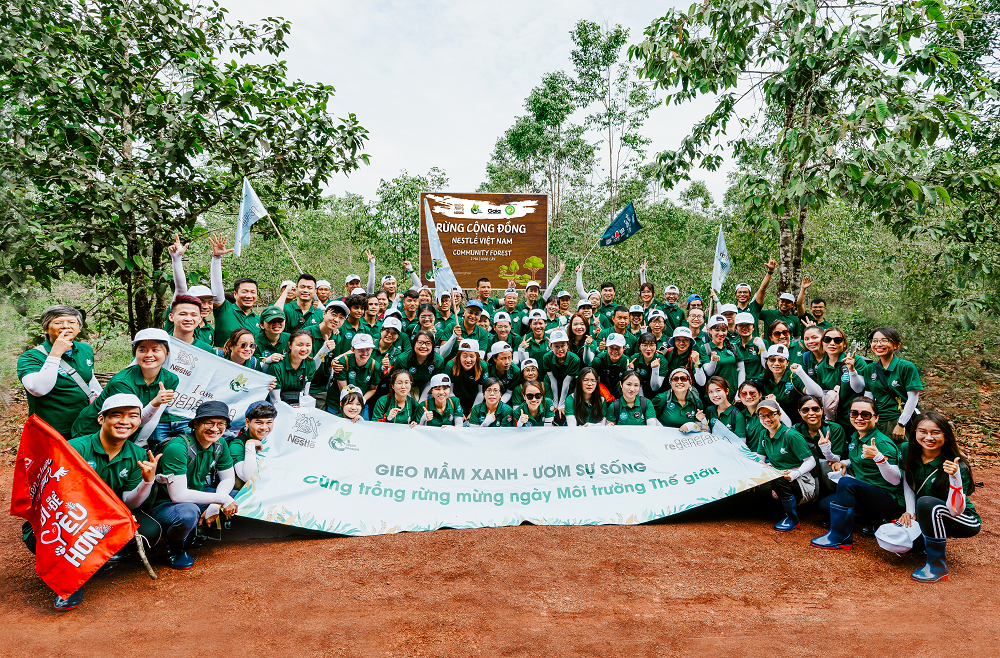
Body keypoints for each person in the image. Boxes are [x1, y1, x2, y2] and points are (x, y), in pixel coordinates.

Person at [24, 394, 162, 611]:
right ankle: (71, 582)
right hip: (70, 514)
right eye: (117, 415)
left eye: (133, 416)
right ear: (101, 419)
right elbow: (57, 496)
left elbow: (131, 502)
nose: (125, 421)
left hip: (108, 516)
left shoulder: (137, 454)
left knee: (150, 530)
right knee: (42, 538)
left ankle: (101, 560)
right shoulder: (74, 449)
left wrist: (147, 481)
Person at [146, 401, 238, 570]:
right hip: (163, 504)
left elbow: (228, 479)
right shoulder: (178, 447)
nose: (215, 429)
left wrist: (215, 504)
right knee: (188, 513)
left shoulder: (220, 444)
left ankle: (197, 531)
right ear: (195, 424)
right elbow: (178, 496)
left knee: (237, 494)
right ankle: (176, 547)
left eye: (221, 424)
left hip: (195, 494)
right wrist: (220, 499)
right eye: (209, 423)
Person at [897, 411, 981, 582]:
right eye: (923, 431)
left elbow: (955, 510)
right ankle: (926, 545)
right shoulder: (907, 449)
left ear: (946, 436)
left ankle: (937, 566)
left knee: (928, 503)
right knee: (901, 545)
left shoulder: (957, 465)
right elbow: (907, 482)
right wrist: (910, 511)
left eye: (935, 432)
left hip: (963, 519)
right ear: (914, 433)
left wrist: (955, 477)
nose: (928, 437)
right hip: (927, 514)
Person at [811, 397, 904, 550]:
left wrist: (878, 458)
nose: (859, 418)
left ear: (876, 417)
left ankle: (841, 536)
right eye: (854, 413)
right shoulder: (856, 436)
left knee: (846, 483)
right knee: (824, 506)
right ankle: (875, 520)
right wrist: (844, 462)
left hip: (889, 498)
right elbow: (857, 459)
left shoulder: (881, 444)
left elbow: (896, 480)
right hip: (866, 494)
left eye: (865, 414)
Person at [71, 329, 181, 445]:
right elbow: (130, 420)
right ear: (136, 353)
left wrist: (140, 442)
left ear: (167, 353)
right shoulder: (121, 382)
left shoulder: (171, 379)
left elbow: (155, 416)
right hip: (93, 431)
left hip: (123, 433)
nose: (149, 354)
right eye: (142, 350)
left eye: (155, 350)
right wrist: (155, 402)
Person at [18, 305, 101, 439]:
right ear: (45, 329)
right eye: (58, 322)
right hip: (51, 431)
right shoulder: (30, 357)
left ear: (79, 328)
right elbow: (37, 389)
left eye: (72, 322)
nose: (65, 326)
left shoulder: (85, 349)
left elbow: (89, 379)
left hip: (84, 426)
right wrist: (55, 353)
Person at [755, 399, 817, 532]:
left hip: (801, 481)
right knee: (756, 484)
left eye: (771, 414)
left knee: (778, 479)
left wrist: (795, 474)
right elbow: (760, 459)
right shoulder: (763, 434)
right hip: (779, 475)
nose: (767, 419)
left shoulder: (791, 435)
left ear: (779, 414)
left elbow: (811, 461)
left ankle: (792, 518)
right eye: (763, 415)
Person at [859, 327, 923, 441]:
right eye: (875, 341)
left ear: (896, 345)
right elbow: (868, 397)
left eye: (884, 340)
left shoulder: (906, 367)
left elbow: (913, 398)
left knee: (901, 453)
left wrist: (901, 424)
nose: (878, 344)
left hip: (899, 419)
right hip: (877, 420)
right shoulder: (869, 368)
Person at [813, 327, 867, 438]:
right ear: (822, 342)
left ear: (844, 344)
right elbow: (824, 392)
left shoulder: (855, 360)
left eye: (837, 340)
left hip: (857, 417)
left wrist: (851, 370)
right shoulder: (821, 367)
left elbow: (859, 389)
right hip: (835, 419)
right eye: (827, 339)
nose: (832, 343)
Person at [208, 234, 260, 347]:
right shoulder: (224, 309)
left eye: (253, 292)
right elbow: (217, 287)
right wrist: (216, 258)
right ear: (235, 294)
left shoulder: (259, 320)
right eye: (245, 291)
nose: (249, 295)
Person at [796, 394, 847, 496]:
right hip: (808, 466)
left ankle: (834, 495)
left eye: (815, 409)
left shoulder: (835, 429)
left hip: (830, 466)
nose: (811, 413)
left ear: (822, 410)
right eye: (805, 410)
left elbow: (836, 459)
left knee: (826, 466)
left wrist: (826, 449)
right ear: (799, 412)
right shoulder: (796, 430)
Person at [328, 333, 379, 416]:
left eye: (368, 349)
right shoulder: (343, 362)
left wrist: (362, 400)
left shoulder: (375, 366)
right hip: (338, 402)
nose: (364, 353)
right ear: (352, 349)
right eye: (360, 349)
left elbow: (373, 389)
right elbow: (344, 390)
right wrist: (352, 409)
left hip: (360, 403)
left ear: (372, 349)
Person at [229, 400, 275, 488]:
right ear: (247, 422)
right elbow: (247, 477)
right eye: (259, 423)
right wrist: (250, 445)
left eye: (269, 422)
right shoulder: (237, 444)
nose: (264, 427)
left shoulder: (274, 439)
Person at [696, 315, 742, 400]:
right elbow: (708, 372)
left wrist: (739, 392)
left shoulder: (733, 347)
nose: (721, 333)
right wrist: (713, 361)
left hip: (732, 394)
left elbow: (741, 370)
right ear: (710, 330)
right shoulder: (705, 348)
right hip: (714, 396)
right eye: (717, 330)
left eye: (724, 330)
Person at [268, 330, 317, 407]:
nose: (304, 349)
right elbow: (275, 400)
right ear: (290, 345)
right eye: (300, 345)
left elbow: (305, 393)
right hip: (278, 408)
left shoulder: (310, 363)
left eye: (308, 345)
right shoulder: (277, 366)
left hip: (298, 405)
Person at [392, 330, 445, 400]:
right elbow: (400, 382)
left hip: (427, 385)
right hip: (407, 386)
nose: (423, 346)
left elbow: (433, 383)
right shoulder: (402, 360)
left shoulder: (438, 360)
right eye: (420, 343)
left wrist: (423, 400)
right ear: (414, 344)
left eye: (428, 343)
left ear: (433, 346)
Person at [444, 339, 487, 422]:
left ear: (477, 356)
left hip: (475, 400)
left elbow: (481, 392)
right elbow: (450, 391)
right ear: (459, 355)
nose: (468, 360)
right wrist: (458, 410)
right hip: (456, 399)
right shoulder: (450, 365)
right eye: (464, 355)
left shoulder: (483, 366)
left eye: (472, 356)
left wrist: (473, 410)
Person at [543, 330, 581, 424]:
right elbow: (553, 380)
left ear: (567, 345)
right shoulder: (546, 357)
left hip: (567, 384)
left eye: (563, 345)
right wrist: (555, 403)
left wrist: (561, 404)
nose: (560, 349)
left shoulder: (575, 359)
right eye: (556, 346)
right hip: (551, 383)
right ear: (551, 346)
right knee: (550, 406)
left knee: (567, 405)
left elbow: (566, 383)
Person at [591, 333, 629, 400]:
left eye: (618, 348)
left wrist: (630, 371)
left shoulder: (626, 361)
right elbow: (595, 382)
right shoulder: (598, 361)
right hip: (601, 394)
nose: (614, 351)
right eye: (611, 347)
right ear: (607, 347)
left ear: (624, 348)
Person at [731, 312, 767, 382]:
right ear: (736, 328)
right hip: (741, 385)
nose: (744, 328)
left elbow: (768, 364)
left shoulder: (762, 342)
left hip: (758, 384)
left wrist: (762, 347)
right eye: (741, 325)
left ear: (753, 327)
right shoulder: (735, 346)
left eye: (748, 325)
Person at [632, 332, 665, 399]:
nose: (648, 349)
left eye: (651, 345)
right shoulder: (634, 359)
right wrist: (630, 370)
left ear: (656, 346)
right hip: (637, 393)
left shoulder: (662, 360)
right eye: (645, 345)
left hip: (657, 396)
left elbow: (655, 387)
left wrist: (655, 369)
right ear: (639, 347)